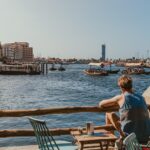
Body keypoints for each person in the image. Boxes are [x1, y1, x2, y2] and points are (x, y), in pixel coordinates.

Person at [99, 75, 150, 144]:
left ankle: (111, 141)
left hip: (130, 139)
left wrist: (117, 103)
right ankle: (112, 140)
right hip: (145, 138)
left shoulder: (121, 98)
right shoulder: (141, 98)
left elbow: (101, 104)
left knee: (109, 113)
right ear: (131, 86)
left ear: (121, 87)